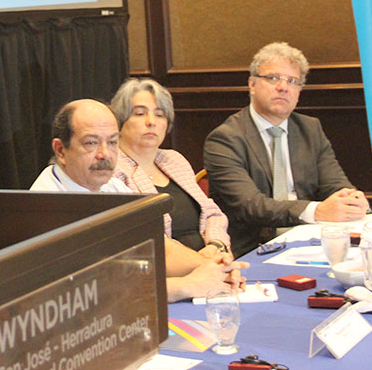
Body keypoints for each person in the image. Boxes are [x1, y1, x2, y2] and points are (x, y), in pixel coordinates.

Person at [31, 99, 246, 301]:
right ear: (60, 150)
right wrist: (187, 285)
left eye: (113, 142)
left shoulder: (110, 185)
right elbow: (95, 289)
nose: (105, 154)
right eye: (91, 143)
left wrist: (215, 268)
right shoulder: (46, 205)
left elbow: (159, 247)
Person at [203, 42, 368, 257]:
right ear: (252, 84)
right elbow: (251, 206)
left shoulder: (310, 129)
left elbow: (335, 183)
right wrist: (316, 211)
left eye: (293, 81)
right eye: (273, 78)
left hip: (310, 240)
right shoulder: (225, 139)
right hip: (253, 251)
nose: (283, 87)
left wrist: (350, 199)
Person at [110, 78, 232, 260]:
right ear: (120, 121)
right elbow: (141, 240)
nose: (151, 121)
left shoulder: (174, 160)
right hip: (166, 270)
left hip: (211, 259)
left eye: (160, 115)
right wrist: (200, 262)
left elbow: (212, 213)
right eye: (140, 114)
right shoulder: (112, 171)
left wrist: (216, 246)